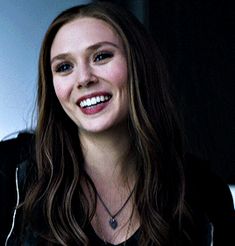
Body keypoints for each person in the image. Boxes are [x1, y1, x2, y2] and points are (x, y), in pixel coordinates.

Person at [0, 2, 234, 245]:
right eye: (64, 67)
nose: (83, 79)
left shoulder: (205, 191)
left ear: (139, 64)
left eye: (101, 56)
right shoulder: (10, 174)